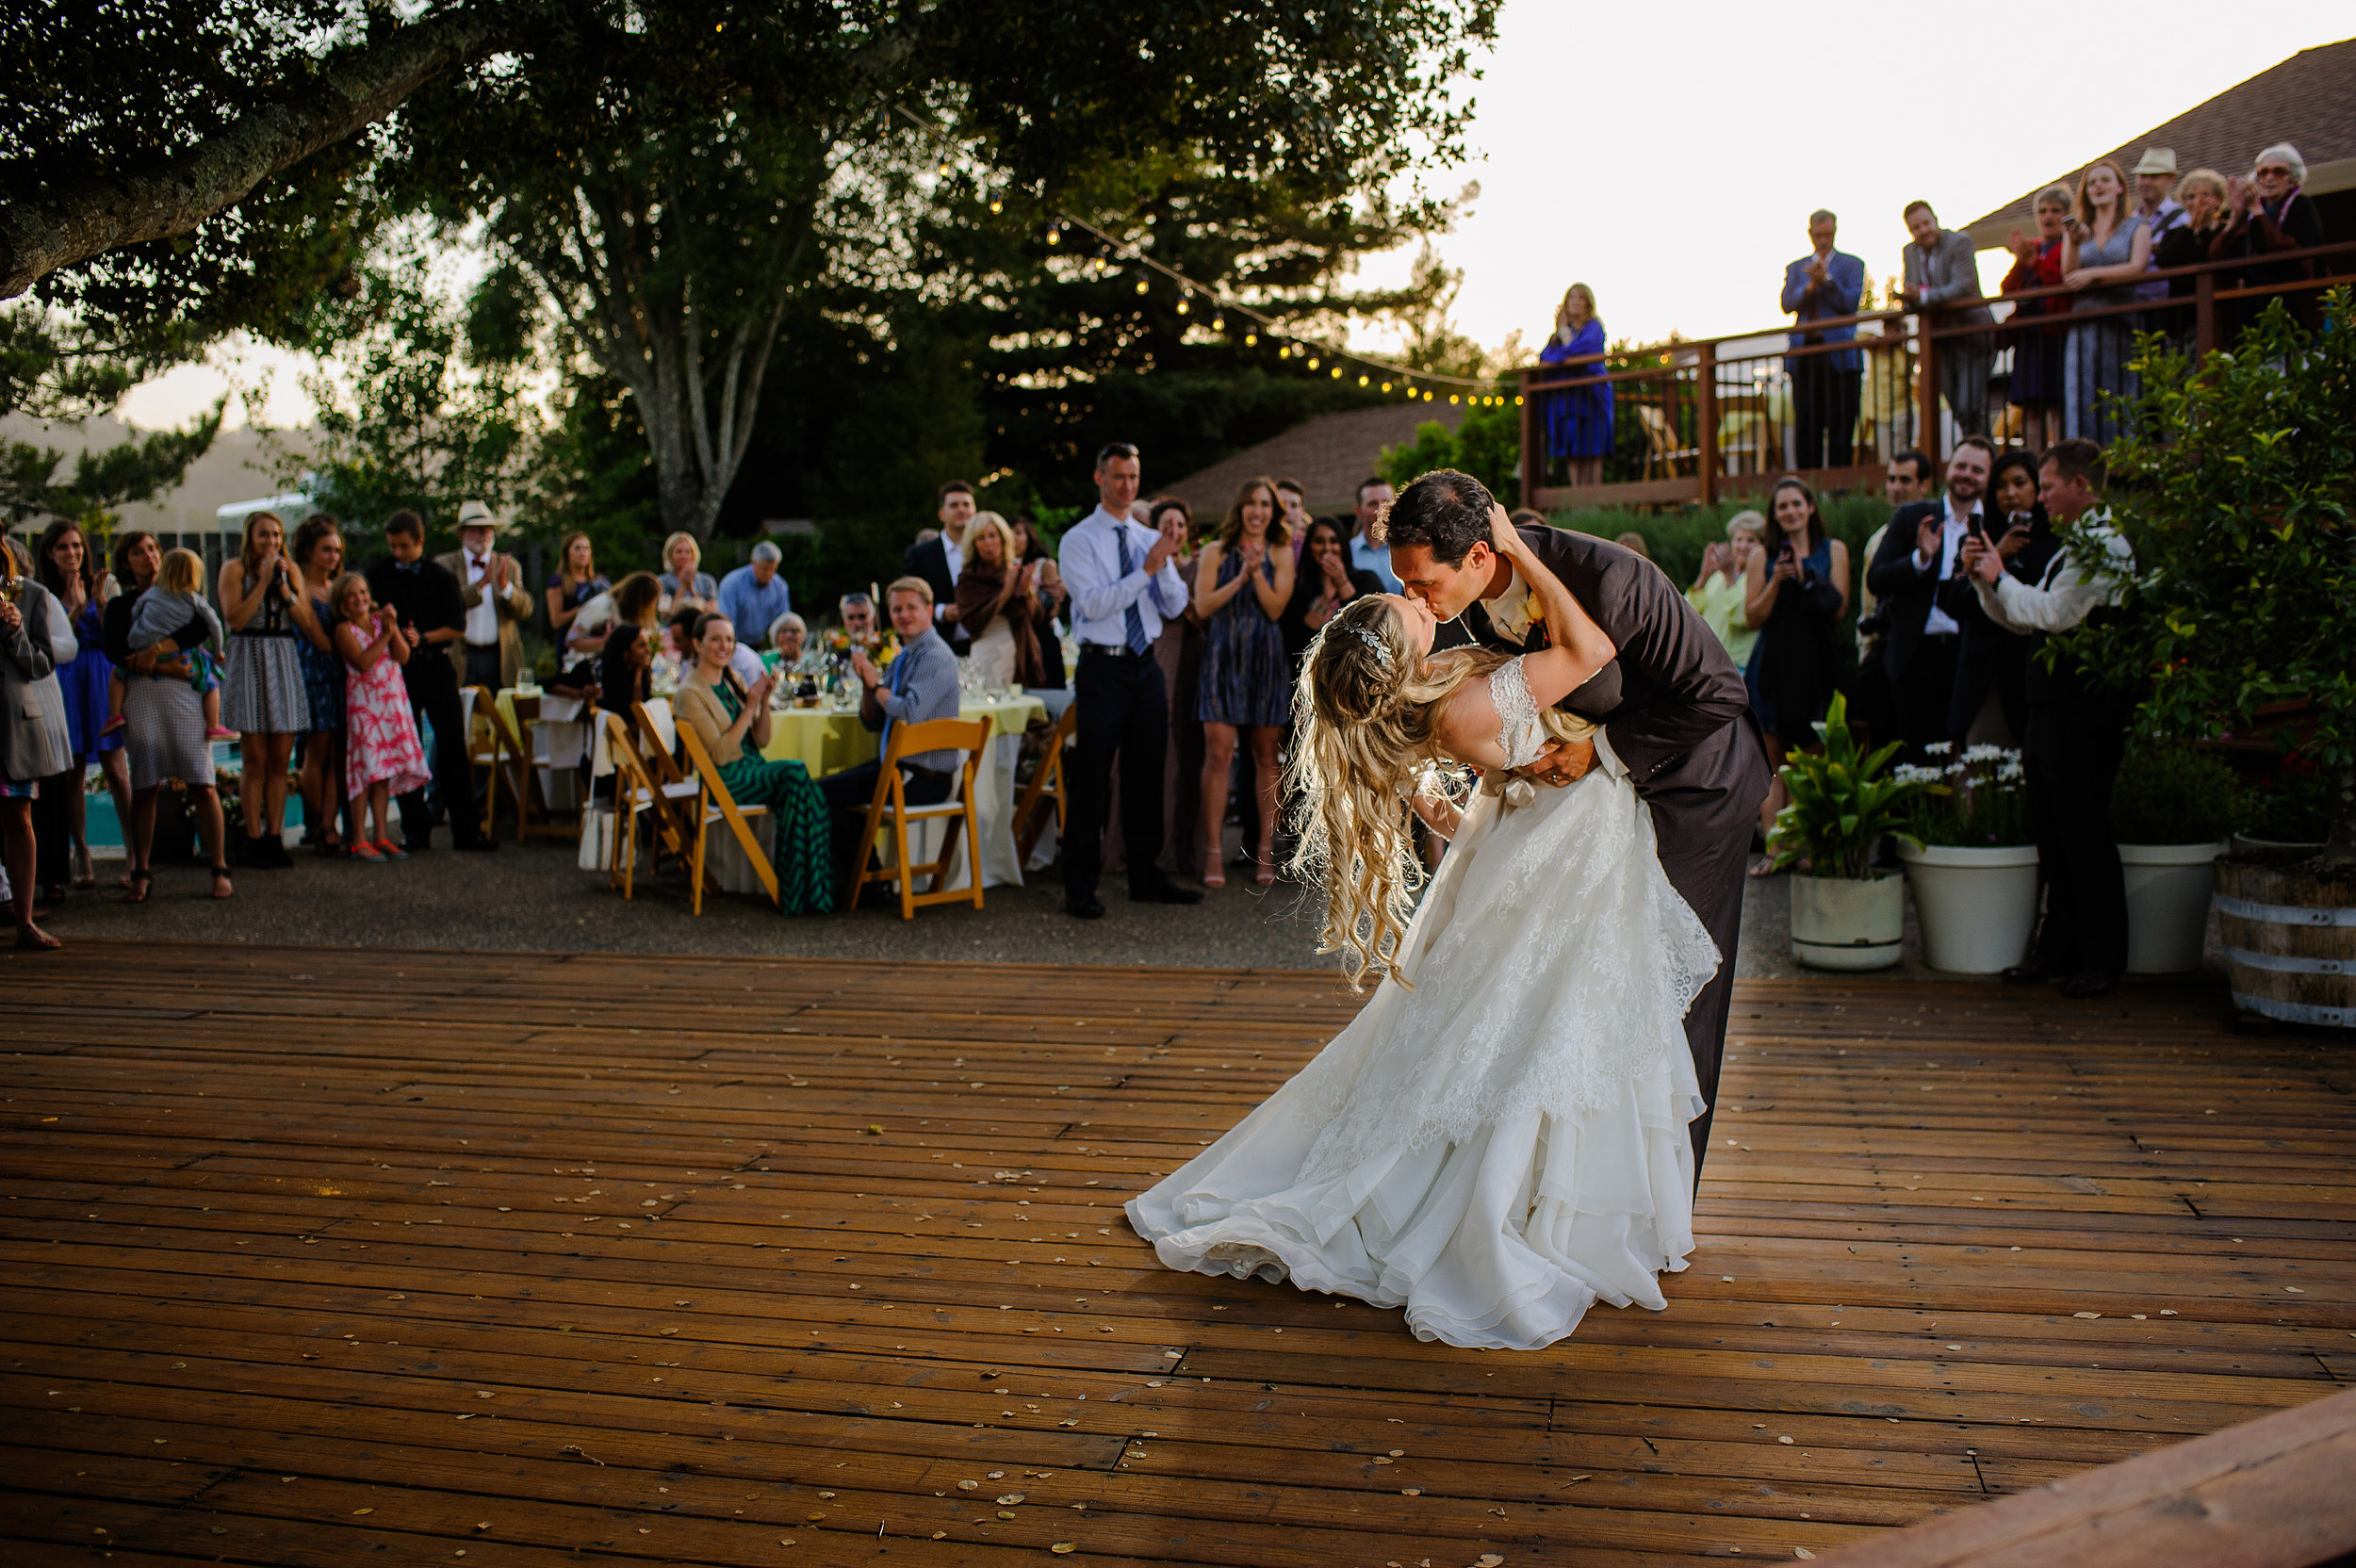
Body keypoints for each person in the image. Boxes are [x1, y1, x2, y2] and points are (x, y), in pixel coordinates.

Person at [1130, 503, 1719, 1350]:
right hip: (1563, 845)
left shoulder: (1439, 691)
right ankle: (1526, 1204)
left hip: (1532, 838)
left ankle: (1549, 1184)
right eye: (1408, 604)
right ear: (1404, 650)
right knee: (1548, 1022)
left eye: (1413, 589)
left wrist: (1487, 802)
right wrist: (1515, 547)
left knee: (1539, 1022)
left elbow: (1460, 788)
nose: (1418, 600)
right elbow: (1590, 655)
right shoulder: (1468, 699)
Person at [1383, 468, 1767, 1175]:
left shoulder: (1611, 580)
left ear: (1478, 557)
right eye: (1404, 582)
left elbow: (1720, 693)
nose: (1416, 598)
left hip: (1694, 787)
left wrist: (1601, 751)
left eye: (1423, 583)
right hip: (1598, 803)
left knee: (1672, 985)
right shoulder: (1468, 600)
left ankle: (1663, 1191)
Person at [1964, 438, 2134, 997]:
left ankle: (2101, 960)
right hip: (2050, 713)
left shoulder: (2104, 547)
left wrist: (1999, 576)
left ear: (2082, 487)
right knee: (2054, 837)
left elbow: (2055, 615)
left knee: (2084, 836)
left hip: (2083, 715)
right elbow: (2025, 618)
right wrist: (1986, 581)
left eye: (2050, 485)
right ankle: (2058, 950)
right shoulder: (2074, 547)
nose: (2041, 498)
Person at [1055, 442, 1203, 919]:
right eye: (1118, 476)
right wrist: (1146, 571)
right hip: (1102, 665)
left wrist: (1163, 569)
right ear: (1099, 479)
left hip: (1144, 666)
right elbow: (1095, 605)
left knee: (1147, 771)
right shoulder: (1078, 540)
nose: (1127, 485)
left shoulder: (1147, 537)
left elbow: (1175, 606)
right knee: (1093, 775)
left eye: (1134, 476)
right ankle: (1079, 884)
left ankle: (1147, 874)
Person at [103, 531, 231, 904]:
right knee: (145, 784)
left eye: (154, 549)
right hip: (142, 696)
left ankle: (219, 865)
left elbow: (199, 630)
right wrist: (166, 664)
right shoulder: (122, 605)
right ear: (126, 563)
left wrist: (155, 651)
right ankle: (142, 868)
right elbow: (117, 649)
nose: (149, 556)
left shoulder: (185, 598)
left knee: (202, 781)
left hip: (185, 696)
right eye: (139, 552)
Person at [813, 581, 959, 899]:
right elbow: (873, 721)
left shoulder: (934, 656)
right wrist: (870, 687)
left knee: (825, 794)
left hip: (923, 777)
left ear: (927, 611)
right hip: (897, 765)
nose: (903, 615)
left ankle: (866, 885)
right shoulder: (905, 654)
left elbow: (907, 712)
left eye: (911, 607)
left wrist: (874, 683)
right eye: (897, 609)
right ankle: (868, 881)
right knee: (825, 789)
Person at [366, 509, 495, 853]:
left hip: (436, 665)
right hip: (397, 671)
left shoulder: (439, 576)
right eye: (393, 546)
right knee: (406, 749)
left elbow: (457, 626)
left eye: (404, 546)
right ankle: (416, 829)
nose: (397, 553)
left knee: (452, 746)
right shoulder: (379, 574)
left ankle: (466, 831)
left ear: (419, 541)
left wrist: (422, 637)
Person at [1192, 477, 1296, 888]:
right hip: (1222, 654)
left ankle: (1265, 852)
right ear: (1240, 509)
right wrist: (1239, 576)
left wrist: (1256, 574)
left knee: (1266, 757)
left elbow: (1274, 609)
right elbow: (1202, 606)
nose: (1258, 511)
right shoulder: (1215, 552)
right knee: (1218, 755)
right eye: (1251, 503)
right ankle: (1214, 850)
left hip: (1264, 658)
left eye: (1265, 504)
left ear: (1273, 512)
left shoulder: (1283, 551)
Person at [1868, 436, 1993, 762]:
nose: (1967, 475)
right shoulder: (1913, 517)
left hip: (1971, 654)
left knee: (1971, 756)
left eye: (1977, 470)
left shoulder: (1996, 524)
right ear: (1948, 469)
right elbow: (1876, 578)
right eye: (1961, 466)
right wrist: (1919, 560)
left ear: (1988, 477)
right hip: (1916, 656)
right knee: (1918, 758)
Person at [1742, 478, 1851, 847]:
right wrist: (1776, 581)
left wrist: (1808, 578)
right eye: (1782, 506)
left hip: (1816, 667)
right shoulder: (1761, 555)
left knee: (1810, 760)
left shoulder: (1833, 551)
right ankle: (1775, 849)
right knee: (1774, 766)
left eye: (1795, 504)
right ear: (1775, 515)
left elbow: (1839, 608)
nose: (1789, 512)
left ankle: (1806, 848)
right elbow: (1752, 616)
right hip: (1772, 667)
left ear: (1810, 507)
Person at [217, 509, 320, 870]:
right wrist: (261, 582)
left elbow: (307, 622)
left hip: (283, 657)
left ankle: (276, 837)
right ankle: (253, 838)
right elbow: (234, 620)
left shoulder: (290, 572)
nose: (272, 541)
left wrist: (286, 591)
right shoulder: (234, 570)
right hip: (250, 657)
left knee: (280, 760)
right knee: (255, 760)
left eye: (276, 535)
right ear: (250, 537)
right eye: (264, 535)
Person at [32, 519, 129, 895]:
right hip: (67, 679)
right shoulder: (45, 592)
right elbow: (53, 639)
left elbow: (117, 636)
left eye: (77, 546)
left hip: (102, 675)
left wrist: (99, 606)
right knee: (71, 771)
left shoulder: (104, 583)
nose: (72, 554)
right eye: (63, 548)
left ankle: (133, 854)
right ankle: (82, 853)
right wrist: (72, 611)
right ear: (50, 554)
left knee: (117, 769)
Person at [1942, 449, 2058, 746]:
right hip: (1985, 674)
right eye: (2001, 485)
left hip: (2035, 669)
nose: (2010, 493)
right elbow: (1952, 603)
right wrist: (1984, 564)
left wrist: (2001, 570)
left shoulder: (2057, 540)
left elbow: (2045, 601)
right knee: (1982, 762)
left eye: (2020, 483)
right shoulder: (1982, 538)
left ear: (2037, 486)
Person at [1, 539, 75, 948]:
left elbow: (42, 665)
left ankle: (25, 922)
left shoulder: (29, 595)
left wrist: (15, 632)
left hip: (12, 723)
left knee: (19, 820)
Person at [331, 572, 431, 862]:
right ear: (343, 601)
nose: (360, 598)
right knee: (365, 771)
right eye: (353, 594)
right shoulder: (344, 630)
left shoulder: (380, 622)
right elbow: (362, 663)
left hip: (391, 705)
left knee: (383, 774)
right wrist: (385, 635)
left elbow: (402, 656)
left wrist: (391, 628)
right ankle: (359, 838)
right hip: (365, 708)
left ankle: (381, 835)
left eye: (363, 592)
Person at [2059, 159, 2151, 444]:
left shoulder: (2137, 226)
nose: (2098, 186)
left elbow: (2137, 267)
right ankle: (2084, 459)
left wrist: (2093, 275)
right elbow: (2069, 274)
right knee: (2082, 392)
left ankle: (2126, 461)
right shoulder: (2077, 229)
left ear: (2120, 187)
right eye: (2092, 183)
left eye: (2105, 180)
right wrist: (2074, 244)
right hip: (2084, 324)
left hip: (2121, 322)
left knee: (2122, 390)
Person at [1780, 209, 1867, 469]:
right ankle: (1809, 487)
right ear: (1810, 234)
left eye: (1828, 235)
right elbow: (1787, 304)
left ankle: (1840, 488)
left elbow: (1850, 303)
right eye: (1818, 235)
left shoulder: (1852, 265)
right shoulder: (1796, 268)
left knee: (1841, 422)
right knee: (1807, 424)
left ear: (1835, 232)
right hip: (1805, 354)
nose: (1823, 241)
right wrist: (1809, 286)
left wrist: (1827, 280)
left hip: (1839, 354)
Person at [1901, 200, 1994, 438]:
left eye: (1925, 224)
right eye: (1916, 228)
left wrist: (1922, 296)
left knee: (1970, 406)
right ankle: (1979, 457)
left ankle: (1984, 460)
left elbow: (1962, 286)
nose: (1923, 231)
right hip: (1940, 341)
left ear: (1935, 219)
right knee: (1959, 409)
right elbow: (1912, 287)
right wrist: (1909, 297)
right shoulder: (1910, 252)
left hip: (1971, 335)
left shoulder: (1959, 242)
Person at [2211, 144, 2326, 335]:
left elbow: (2284, 250)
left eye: (2279, 172)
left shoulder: (2301, 205)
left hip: (2296, 304)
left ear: (2292, 178)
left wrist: (2257, 210)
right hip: (2257, 307)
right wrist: (2235, 216)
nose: (2269, 177)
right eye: (2263, 173)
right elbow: (2216, 255)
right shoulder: (2251, 213)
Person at [289, 515, 352, 857]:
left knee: (338, 755)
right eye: (326, 549)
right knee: (315, 751)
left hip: (342, 676)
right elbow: (316, 636)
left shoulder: (338, 588)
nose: (333, 556)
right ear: (310, 551)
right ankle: (316, 825)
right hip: (312, 672)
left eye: (337, 550)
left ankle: (331, 824)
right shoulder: (299, 587)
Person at [2001, 188, 2073, 450]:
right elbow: (2007, 289)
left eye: (2055, 210)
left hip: (2056, 335)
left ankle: (2061, 461)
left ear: (2067, 214)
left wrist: (2034, 261)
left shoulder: (2068, 245)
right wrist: (2022, 261)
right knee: (2031, 408)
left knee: (2057, 405)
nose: (2048, 216)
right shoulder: (2032, 248)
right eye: (2043, 211)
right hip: (2029, 338)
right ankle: (2034, 464)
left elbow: (2061, 280)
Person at [437, 500, 534, 691]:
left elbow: (525, 611)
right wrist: (480, 585)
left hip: (499, 657)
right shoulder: (445, 565)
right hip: (461, 655)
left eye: (489, 528)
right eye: (477, 529)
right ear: (461, 533)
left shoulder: (509, 565)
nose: (485, 534)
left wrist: (505, 588)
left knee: (501, 716)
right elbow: (444, 607)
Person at [954, 512, 1045, 690]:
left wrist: (1027, 592)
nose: (988, 543)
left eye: (992, 535)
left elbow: (1036, 617)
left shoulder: (1016, 571)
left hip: (1022, 648)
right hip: (989, 650)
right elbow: (972, 623)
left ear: (1002, 538)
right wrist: (1005, 592)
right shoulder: (969, 578)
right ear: (974, 544)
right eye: (981, 538)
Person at [1281, 516, 1385, 670]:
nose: (1327, 548)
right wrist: (1325, 598)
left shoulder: (1366, 579)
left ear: (1343, 545)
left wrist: (1342, 582)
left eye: (1334, 541)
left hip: (1359, 669)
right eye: (1319, 541)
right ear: (1309, 546)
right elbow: (1298, 641)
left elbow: (1374, 625)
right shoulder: (1299, 591)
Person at [1536, 283, 1613, 487]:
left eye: (1580, 297)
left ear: (1588, 303)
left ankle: (1595, 499)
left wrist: (1563, 351)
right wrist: (1562, 337)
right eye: (1571, 297)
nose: (1576, 301)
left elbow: (1581, 352)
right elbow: (1545, 358)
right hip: (1568, 403)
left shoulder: (1594, 327)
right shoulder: (1559, 334)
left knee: (1592, 452)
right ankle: (1578, 501)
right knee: (1573, 452)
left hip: (1592, 399)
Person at [1685, 511, 1763, 673]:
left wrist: (1729, 577)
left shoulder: (1760, 578)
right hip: (1705, 664)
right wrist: (1704, 575)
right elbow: (1687, 612)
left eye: (1751, 540)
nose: (1743, 546)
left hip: (1737, 669)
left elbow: (1741, 619)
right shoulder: (1717, 577)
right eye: (1738, 539)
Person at [905, 482, 974, 655]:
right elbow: (909, 598)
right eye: (954, 505)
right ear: (942, 514)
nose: (961, 510)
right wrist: (941, 611)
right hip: (939, 646)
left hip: (983, 644)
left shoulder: (987, 550)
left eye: (966, 504)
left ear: (975, 511)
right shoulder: (920, 554)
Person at [2128, 147, 2186, 308]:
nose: (2146, 182)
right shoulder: (2127, 222)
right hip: (2133, 306)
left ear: (2171, 180)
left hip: (2170, 305)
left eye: (2154, 177)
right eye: (2142, 176)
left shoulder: (2183, 219)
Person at [546, 531, 611, 658]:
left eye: (586, 548)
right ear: (567, 553)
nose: (583, 553)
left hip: (597, 645)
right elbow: (556, 621)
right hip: (572, 648)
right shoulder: (558, 581)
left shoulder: (600, 581)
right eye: (577, 548)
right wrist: (583, 608)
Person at [719, 541, 794, 649]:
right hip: (736, 642)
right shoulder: (732, 583)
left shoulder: (779, 585)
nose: (769, 574)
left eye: (773, 569)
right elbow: (727, 622)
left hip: (763, 643)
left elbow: (783, 621)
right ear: (753, 562)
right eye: (765, 569)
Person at [1344, 478, 1402, 594]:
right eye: (1372, 503)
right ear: (1358, 510)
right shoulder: (1347, 552)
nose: (1380, 508)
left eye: (1386, 502)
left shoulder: (1406, 548)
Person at [657, 531, 718, 615]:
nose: (684, 556)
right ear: (670, 555)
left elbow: (712, 613)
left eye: (688, 552)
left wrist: (691, 589)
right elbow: (666, 615)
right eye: (679, 552)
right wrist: (682, 586)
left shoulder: (707, 581)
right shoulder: (662, 582)